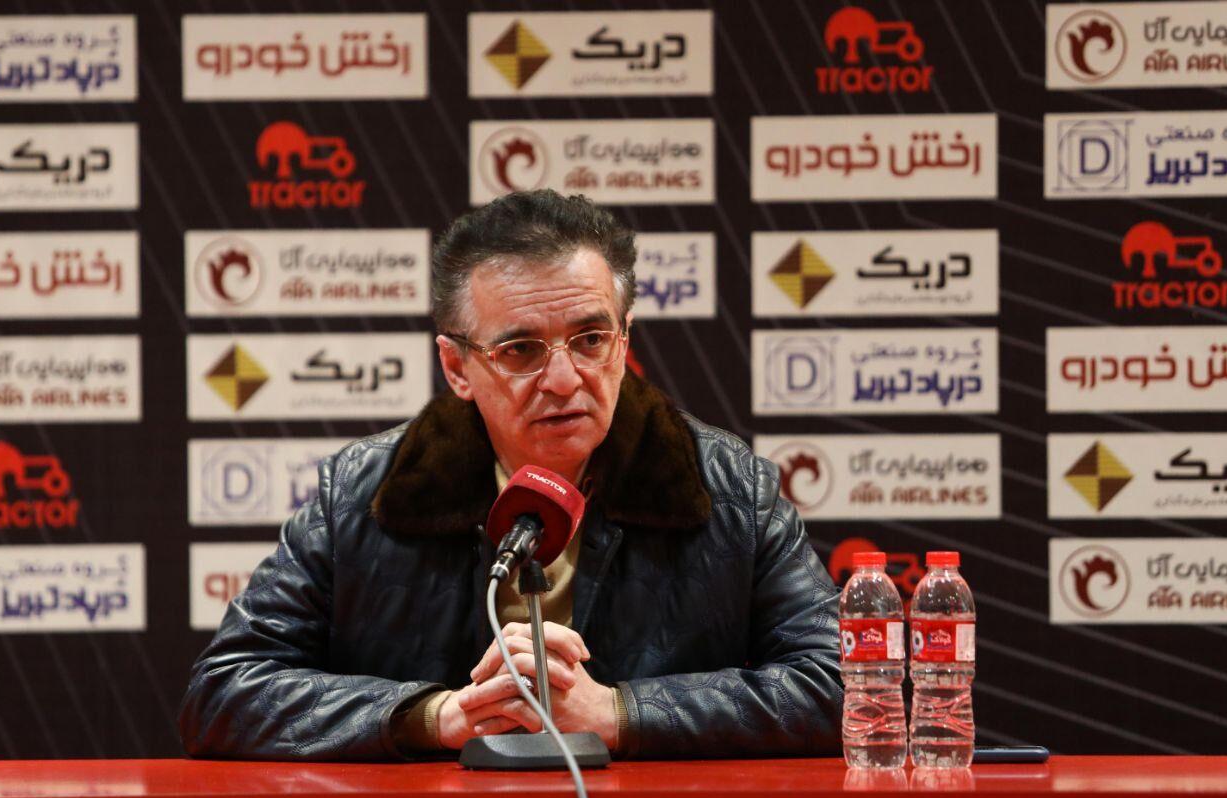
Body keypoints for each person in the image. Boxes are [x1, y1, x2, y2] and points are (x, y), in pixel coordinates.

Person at [178, 190, 843, 760]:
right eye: (521, 349)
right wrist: (437, 716)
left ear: (625, 341)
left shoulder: (731, 490)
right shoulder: (363, 494)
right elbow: (223, 690)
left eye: (590, 340)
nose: (564, 379)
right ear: (457, 367)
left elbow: (846, 685)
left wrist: (622, 713)